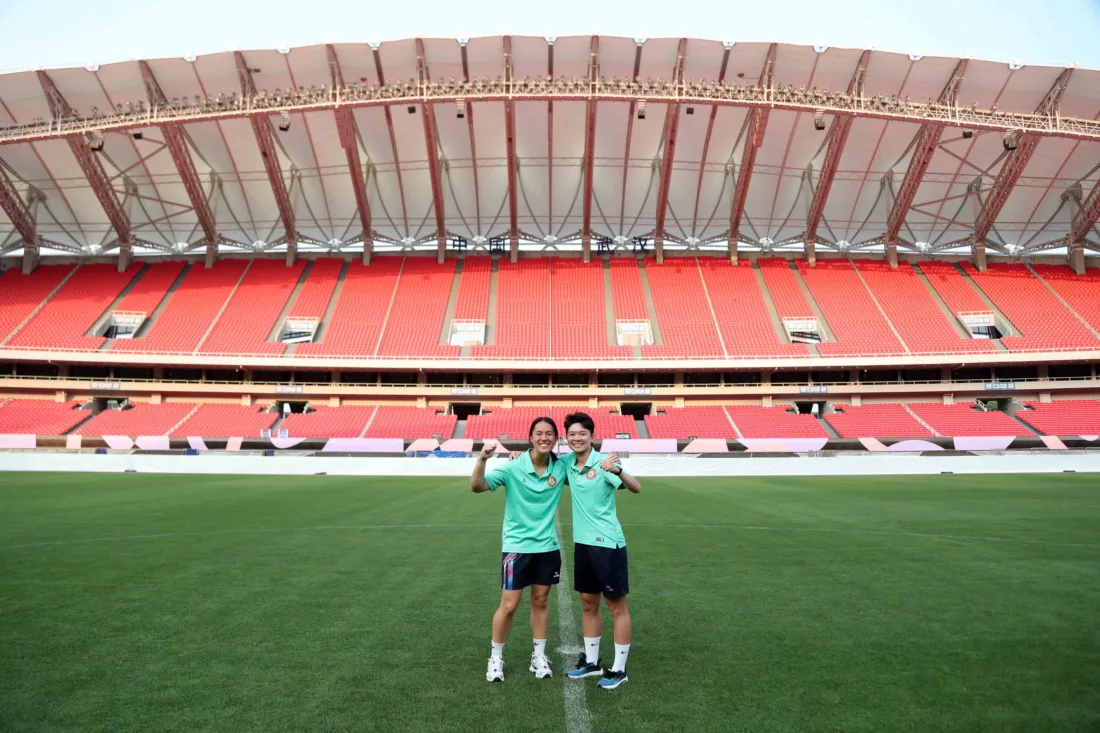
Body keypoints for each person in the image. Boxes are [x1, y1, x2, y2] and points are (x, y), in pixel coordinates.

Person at [470, 416, 568, 683]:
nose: (544, 437)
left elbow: (585, 470)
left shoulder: (561, 468)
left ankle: (538, 656)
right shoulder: (512, 467)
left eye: (549, 433)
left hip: (547, 548)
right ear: (530, 437)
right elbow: (477, 486)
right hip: (516, 548)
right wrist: (482, 460)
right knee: (510, 605)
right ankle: (496, 658)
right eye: (539, 433)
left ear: (556, 439)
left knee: (541, 601)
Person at [562, 411, 642, 690]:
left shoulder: (604, 463)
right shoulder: (566, 464)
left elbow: (636, 488)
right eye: (572, 434)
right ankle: (593, 663)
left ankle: (619, 669)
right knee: (588, 603)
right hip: (583, 545)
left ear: (591, 436)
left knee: (616, 606)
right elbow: (539, 462)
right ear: (567, 438)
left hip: (608, 545)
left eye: (582, 433)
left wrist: (618, 470)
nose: (576, 438)